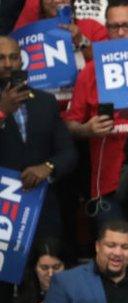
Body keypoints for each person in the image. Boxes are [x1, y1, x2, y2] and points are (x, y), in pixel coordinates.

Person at [63, 0, 128, 222]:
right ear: (105, 28)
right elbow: (70, 124)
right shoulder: (90, 71)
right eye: (113, 26)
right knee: (112, 252)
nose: (120, 32)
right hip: (108, 183)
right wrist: (86, 129)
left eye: (127, 25)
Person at [0, 36, 78, 242]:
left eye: (13, 57)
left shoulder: (45, 102)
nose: (8, 64)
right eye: (1, 58)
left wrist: (48, 167)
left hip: (41, 205)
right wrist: (2, 112)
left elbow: (68, 152)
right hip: (3, 210)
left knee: (48, 268)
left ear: (21, 61)